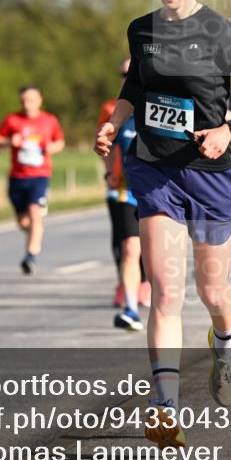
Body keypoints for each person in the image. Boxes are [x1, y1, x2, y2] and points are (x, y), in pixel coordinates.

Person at [93, 0, 231, 449]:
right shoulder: (141, 31)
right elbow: (136, 88)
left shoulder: (219, 33)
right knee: (165, 291)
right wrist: (114, 123)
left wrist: (230, 128)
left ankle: (225, 344)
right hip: (154, 169)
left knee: (211, 291)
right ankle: (165, 405)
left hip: (211, 174)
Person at [97, 58, 151, 329]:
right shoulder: (115, 110)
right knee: (130, 247)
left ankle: (152, 290)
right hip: (126, 190)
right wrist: (110, 171)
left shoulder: (161, 105)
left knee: (154, 252)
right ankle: (130, 307)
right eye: (124, 74)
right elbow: (108, 143)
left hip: (158, 193)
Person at [0, 85, 65, 275]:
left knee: (34, 213)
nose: (27, 104)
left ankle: (30, 257)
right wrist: (10, 141)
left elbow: (60, 142)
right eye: (24, 100)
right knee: (23, 222)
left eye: (31, 100)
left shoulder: (49, 120)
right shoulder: (13, 120)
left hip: (40, 176)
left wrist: (51, 147)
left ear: (40, 100)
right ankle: (37, 232)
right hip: (17, 177)